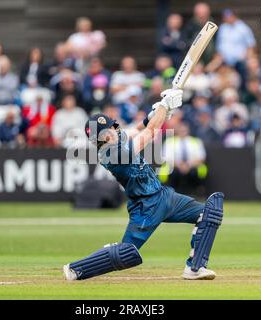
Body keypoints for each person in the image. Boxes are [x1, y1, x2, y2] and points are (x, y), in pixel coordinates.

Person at [63, 88, 224, 281]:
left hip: (165, 196)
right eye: (109, 131)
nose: (115, 131)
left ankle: (195, 268)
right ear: (102, 138)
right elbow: (150, 132)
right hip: (145, 207)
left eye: (113, 127)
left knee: (209, 214)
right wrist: (164, 107)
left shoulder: (116, 138)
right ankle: (76, 269)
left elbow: (139, 127)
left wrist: (156, 113)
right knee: (127, 253)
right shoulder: (113, 155)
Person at [161, 121, 208, 195]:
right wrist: (180, 165)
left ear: (188, 130)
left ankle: (194, 194)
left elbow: (201, 158)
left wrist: (188, 165)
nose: (182, 132)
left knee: (194, 173)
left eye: (184, 130)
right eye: (180, 130)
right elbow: (166, 158)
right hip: (174, 167)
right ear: (177, 131)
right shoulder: (169, 142)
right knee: (174, 174)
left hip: (192, 167)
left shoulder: (196, 141)